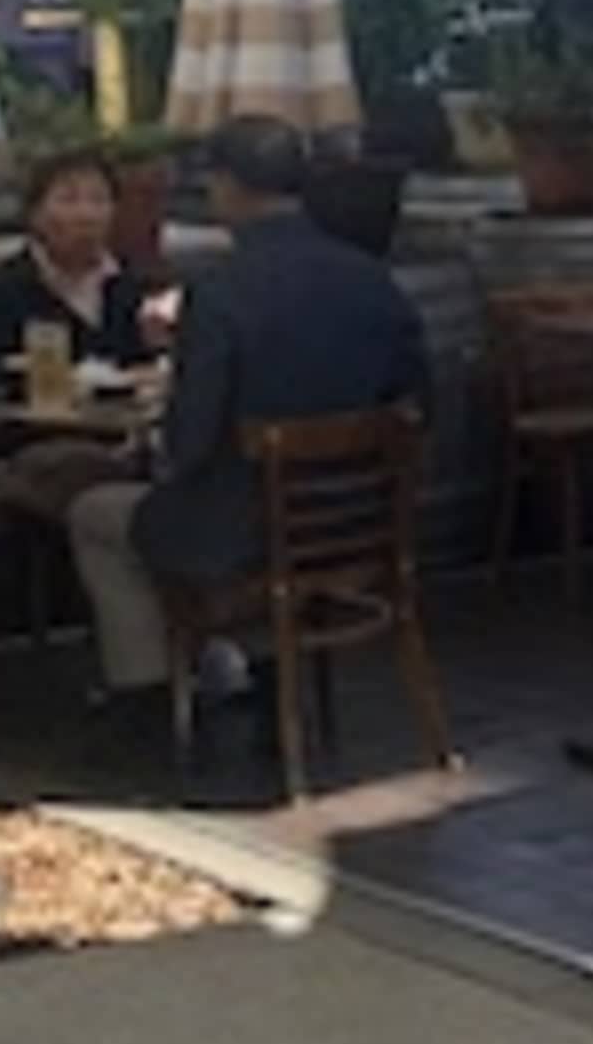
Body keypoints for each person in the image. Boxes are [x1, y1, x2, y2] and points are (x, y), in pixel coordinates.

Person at [69, 112, 425, 722]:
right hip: (360, 527)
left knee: (94, 515)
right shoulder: (371, 279)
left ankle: (147, 698)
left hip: (243, 533)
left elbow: (191, 442)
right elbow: (417, 404)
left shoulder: (221, 292)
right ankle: (259, 671)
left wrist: (156, 448)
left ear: (226, 185)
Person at [0, 146, 158, 543]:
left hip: (122, 437)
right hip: (36, 443)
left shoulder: (128, 287)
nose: (86, 214)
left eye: (98, 200)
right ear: (35, 214)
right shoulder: (6, 290)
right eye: (68, 199)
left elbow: (147, 367)